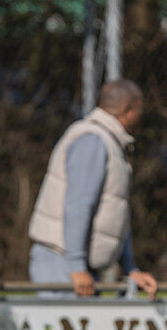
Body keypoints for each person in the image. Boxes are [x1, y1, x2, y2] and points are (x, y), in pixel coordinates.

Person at [28, 79, 158, 300]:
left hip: (79, 266)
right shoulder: (92, 141)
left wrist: (131, 269)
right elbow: (78, 205)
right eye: (139, 110)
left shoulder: (111, 143)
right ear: (127, 111)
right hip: (62, 262)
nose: (141, 116)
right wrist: (76, 265)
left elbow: (116, 214)